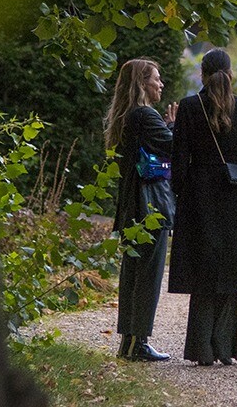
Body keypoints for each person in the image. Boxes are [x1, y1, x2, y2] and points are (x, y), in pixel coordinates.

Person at [169, 48, 237, 366]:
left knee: (203, 271)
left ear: (202, 75)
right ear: (230, 73)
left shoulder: (189, 107)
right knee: (228, 270)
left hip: (199, 194)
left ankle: (201, 348)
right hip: (234, 195)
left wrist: (181, 191)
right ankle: (226, 346)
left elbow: (179, 160)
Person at [105, 58, 177, 362]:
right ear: (141, 83)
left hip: (131, 206)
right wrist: (173, 126)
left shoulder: (127, 116)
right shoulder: (146, 115)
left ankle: (129, 342)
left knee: (132, 276)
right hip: (149, 206)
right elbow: (174, 147)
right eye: (156, 79)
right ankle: (139, 343)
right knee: (147, 276)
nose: (160, 84)